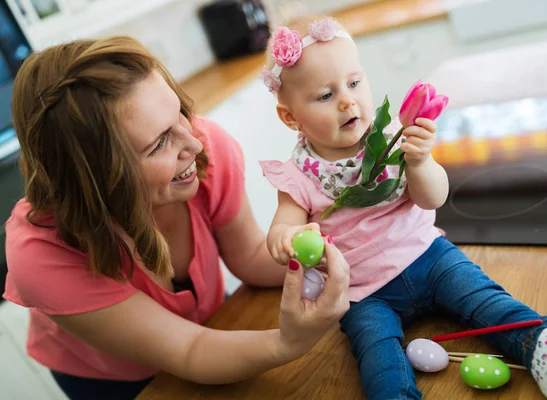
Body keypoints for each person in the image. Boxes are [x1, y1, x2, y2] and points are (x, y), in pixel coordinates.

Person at [258, 16, 547, 400]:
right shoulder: (297, 177)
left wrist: (420, 163)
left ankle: (546, 350)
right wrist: (286, 237)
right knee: (378, 358)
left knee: (486, 300)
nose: (347, 100)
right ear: (290, 117)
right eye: (325, 95)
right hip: (362, 293)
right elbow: (279, 230)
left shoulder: (393, 139)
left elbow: (433, 198)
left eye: (354, 83)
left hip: (429, 257)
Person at [2, 36, 351, 400]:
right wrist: (287, 344)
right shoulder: (40, 256)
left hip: (212, 326)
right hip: (115, 380)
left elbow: (249, 257)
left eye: (180, 114)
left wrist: (350, 249)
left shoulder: (204, 149)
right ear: (98, 177)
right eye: (158, 144)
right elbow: (189, 350)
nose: (195, 143)